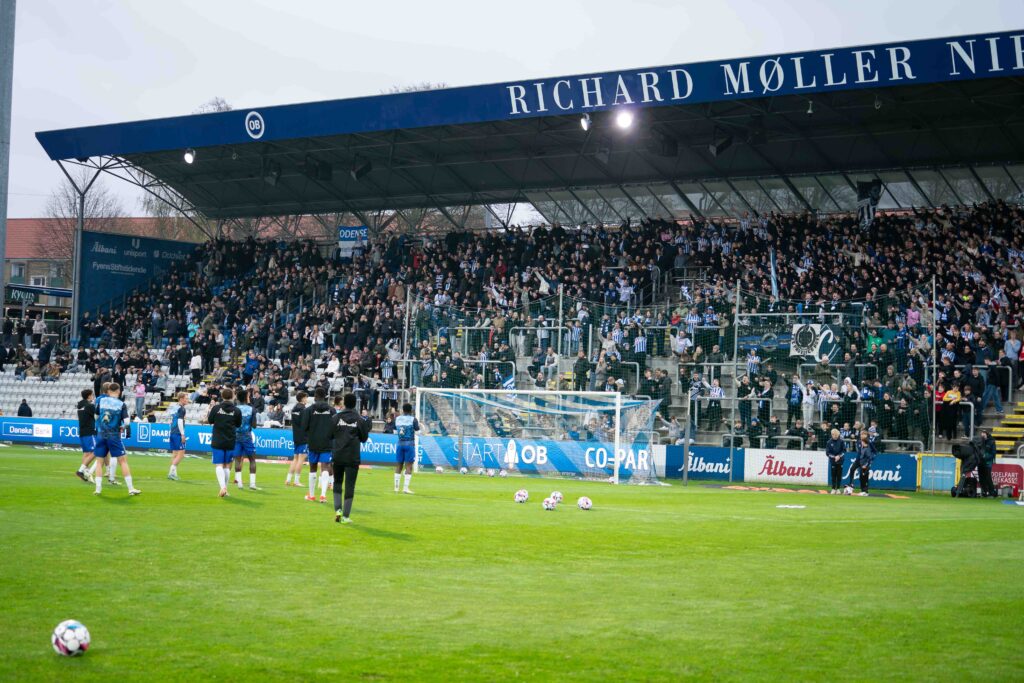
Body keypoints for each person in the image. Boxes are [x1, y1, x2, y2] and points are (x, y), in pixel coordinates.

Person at [93, 383, 140, 496]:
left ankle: (98, 489)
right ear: (119, 391)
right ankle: (130, 488)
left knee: (99, 462)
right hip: (113, 435)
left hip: (101, 434)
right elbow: (127, 422)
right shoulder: (121, 404)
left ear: (108, 391)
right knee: (122, 461)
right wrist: (123, 427)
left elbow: (96, 416)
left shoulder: (101, 401)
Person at [331, 393, 371, 523]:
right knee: (350, 485)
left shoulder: (336, 417)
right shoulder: (359, 420)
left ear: (344, 403)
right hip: (352, 456)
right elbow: (364, 438)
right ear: (355, 404)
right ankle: (346, 516)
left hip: (338, 454)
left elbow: (330, 434)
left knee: (337, 482)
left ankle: (338, 510)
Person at [300, 387, 335, 503]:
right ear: (325, 397)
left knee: (313, 467)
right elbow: (336, 427)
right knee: (325, 467)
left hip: (313, 442)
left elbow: (303, 427)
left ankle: (311, 495)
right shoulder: (332, 410)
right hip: (327, 442)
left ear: (315, 397)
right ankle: (323, 495)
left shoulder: (308, 410)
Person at [208, 388, 242, 498]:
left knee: (219, 464)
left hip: (218, 439)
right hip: (230, 440)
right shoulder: (237, 410)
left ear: (222, 396)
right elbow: (238, 424)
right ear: (232, 396)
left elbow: (210, 420)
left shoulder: (216, 408)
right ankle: (225, 489)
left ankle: (223, 487)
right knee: (227, 465)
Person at [231, 388, 259, 490]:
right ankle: (252, 484)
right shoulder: (251, 409)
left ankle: (239, 484)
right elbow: (254, 425)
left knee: (237, 459)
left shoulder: (235, 409)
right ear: (246, 398)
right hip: (247, 437)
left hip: (236, 437)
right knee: (252, 459)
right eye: (248, 396)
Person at [394, 402, 419, 494]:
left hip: (400, 444)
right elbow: (418, 432)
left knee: (399, 465)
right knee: (408, 466)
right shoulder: (413, 419)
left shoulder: (397, 419)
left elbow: (394, 431)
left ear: (403, 410)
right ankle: (405, 488)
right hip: (409, 444)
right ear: (411, 410)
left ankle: (396, 488)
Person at [74, 389, 98, 483]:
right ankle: (81, 470)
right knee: (97, 450)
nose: (93, 396)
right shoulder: (90, 406)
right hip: (90, 431)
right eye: (92, 395)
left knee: (86, 453)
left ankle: (85, 472)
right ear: (89, 396)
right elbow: (97, 416)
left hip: (82, 431)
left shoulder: (80, 405)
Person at [286, 390, 308, 487]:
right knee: (301, 459)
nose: (307, 399)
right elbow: (305, 424)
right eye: (306, 397)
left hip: (296, 435)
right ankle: (296, 481)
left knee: (295, 458)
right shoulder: (304, 409)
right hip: (303, 437)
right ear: (303, 398)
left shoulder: (294, 408)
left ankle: (288, 479)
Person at [167, 392, 189, 481]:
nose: (187, 400)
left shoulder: (174, 407)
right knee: (181, 454)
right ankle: (171, 473)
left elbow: (170, 420)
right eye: (186, 398)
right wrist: (182, 434)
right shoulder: (182, 409)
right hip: (177, 433)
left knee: (175, 454)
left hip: (172, 432)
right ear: (181, 399)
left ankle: (172, 474)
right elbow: (180, 422)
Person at [846, 431, 876, 496]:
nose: (862, 435)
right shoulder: (859, 441)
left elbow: (874, 451)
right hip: (858, 460)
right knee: (852, 469)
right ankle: (851, 484)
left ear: (866, 435)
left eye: (863, 434)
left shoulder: (869, 442)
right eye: (861, 434)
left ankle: (865, 490)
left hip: (865, 461)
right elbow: (859, 451)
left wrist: (871, 459)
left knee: (863, 475)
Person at [973, 430, 997, 498]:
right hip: (980, 462)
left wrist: (985, 456)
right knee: (981, 478)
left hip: (987, 463)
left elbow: (993, 453)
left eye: (984, 434)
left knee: (988, 478)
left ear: (987, 434)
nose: (982, 435)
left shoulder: (992, 442)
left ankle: (991, 493)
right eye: (982, 434)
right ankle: (984, 492)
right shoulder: (979, 441)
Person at [825, 428, 845, 494]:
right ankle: (833, 488)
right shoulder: (829, 442)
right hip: (833, 461)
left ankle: (838, 488)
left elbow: (844, 451)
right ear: (832, 435)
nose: (835, 436)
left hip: (840, 461)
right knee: (833, 475)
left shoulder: (841, 441)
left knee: (839, 475)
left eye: (836, 435)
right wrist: (834, 457)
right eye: (834, 435)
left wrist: (839, 456)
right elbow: (827, 453)